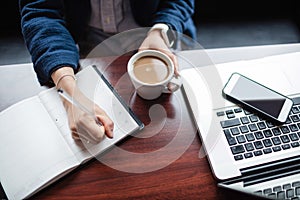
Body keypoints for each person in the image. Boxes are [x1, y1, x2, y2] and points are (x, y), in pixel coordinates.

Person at [19, 0, 196, 144]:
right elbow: (40, 12)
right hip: (80, 41)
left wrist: (160, 31)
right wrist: (70, 94)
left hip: (159, 32)